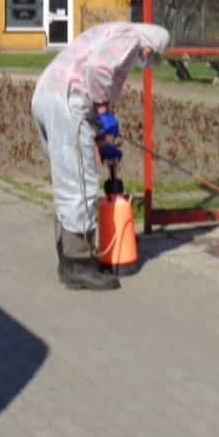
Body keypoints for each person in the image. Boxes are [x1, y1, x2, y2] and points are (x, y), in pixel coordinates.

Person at [31, 22, 171, 290]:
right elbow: (97, 71)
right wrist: (105, 111)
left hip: (46, 95)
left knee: (67, 183)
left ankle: (67, 260)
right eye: (152, 56)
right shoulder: (131, 38)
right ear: (150, 47)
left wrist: (100, 139)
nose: (146, 62)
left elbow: (87, 76)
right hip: (67, 102)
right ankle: (79, 265)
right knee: (79, 186)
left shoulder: (106, 31)